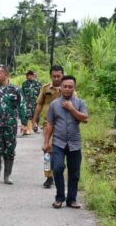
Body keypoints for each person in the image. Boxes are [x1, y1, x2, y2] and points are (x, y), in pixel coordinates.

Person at [43, 75, 88, 209]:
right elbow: (49, 124)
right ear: (60, 88)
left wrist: (71, 108)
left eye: (70, 87)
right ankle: (59, 197)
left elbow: (85, 119)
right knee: (57, 168)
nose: (67, 89)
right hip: (58, 142)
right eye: (65, 86)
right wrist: (46, 142)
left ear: (74, 88)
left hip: (75, 143)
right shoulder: (54, 105)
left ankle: (71, 200)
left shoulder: (80, 103)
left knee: (74, 173)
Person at [32, 65, 64, 188]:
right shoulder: (45, 88)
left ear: (62, 75)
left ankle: (59, 174)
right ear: (50, 76)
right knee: (47, 151)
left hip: (63, 125)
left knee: (61, 152)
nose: (56, 78)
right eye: (54, 76)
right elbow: (39, 105)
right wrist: (34, 121)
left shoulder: (67, 88)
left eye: (58, 76)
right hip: (48, 124)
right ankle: (48, 177)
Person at [21, 70, 42, 135]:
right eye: (26, 75)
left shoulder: (38, 84)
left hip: (36, 103)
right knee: (28, 116)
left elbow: (41, 93)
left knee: (36, 115)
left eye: (28, 75)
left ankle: (35, 127)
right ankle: (28, 129)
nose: (27, 77)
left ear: (31, 75)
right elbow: (23, 93)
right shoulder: (24, 84)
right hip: (27, 103)